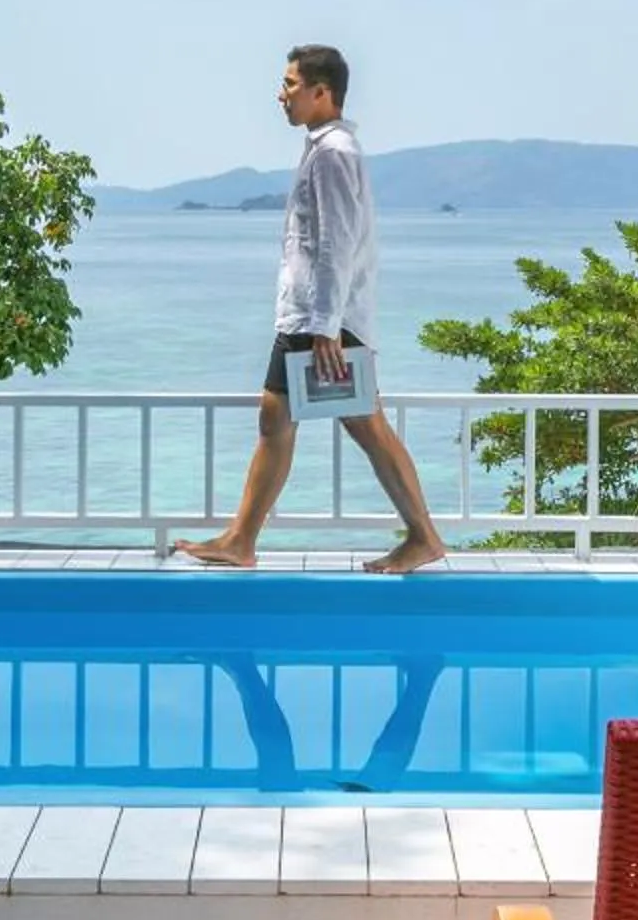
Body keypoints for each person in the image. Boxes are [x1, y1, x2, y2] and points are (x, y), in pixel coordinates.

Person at [176, 45, 448, 575]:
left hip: (322, 321)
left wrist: (326, 327)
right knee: (279, 418)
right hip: (313, 317)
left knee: (362, 424)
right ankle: (241, 539)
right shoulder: (324, 148)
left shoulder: (333, 153)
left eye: (290, 84)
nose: (281, 95)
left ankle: (423, 537)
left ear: (322, 92)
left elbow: (336, 243)